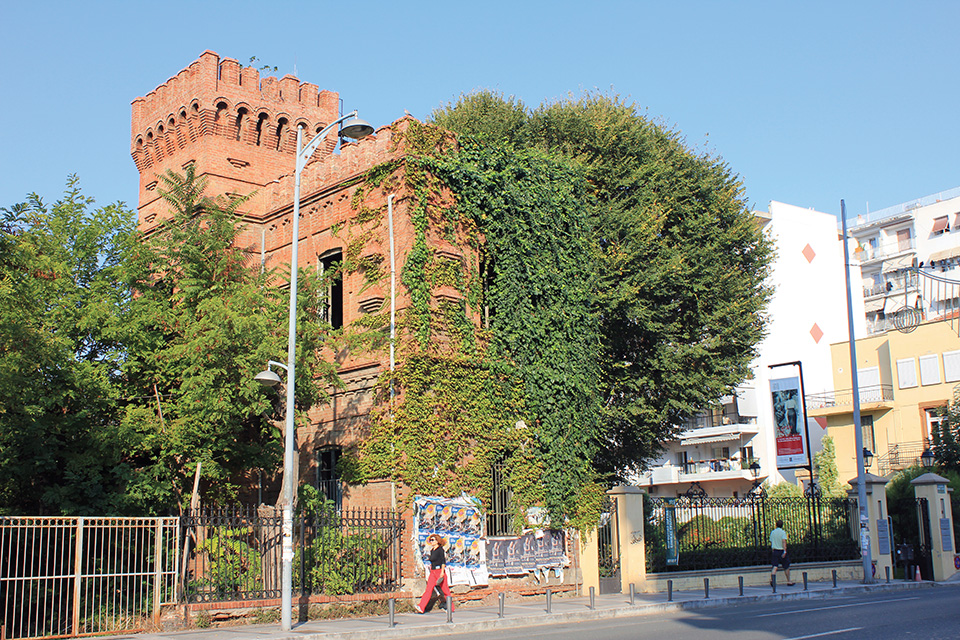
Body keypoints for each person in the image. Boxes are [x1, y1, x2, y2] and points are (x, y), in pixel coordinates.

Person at [417, 534, 454, 613]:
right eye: (430, 540)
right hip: (433, 572)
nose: (431, 541)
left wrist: (442, 572)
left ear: (437, 541)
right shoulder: (432, 550)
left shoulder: (440, 550)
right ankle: (421, 606)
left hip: (439, 571)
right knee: (428, 590)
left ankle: (451, 607)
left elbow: (443, 561)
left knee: (445, 590)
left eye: (433, 540)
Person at [770, 520, 795, 586]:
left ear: (776, 525)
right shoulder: (783, 532)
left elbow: (771, 541)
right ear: (782, 525)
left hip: (775, 550)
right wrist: (785, 551)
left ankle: (772, 580)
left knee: (775, 566)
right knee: (786, 566)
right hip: (781, 550)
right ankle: (789, 581)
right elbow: (783, 541)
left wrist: (773, 549)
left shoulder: (773, 532)